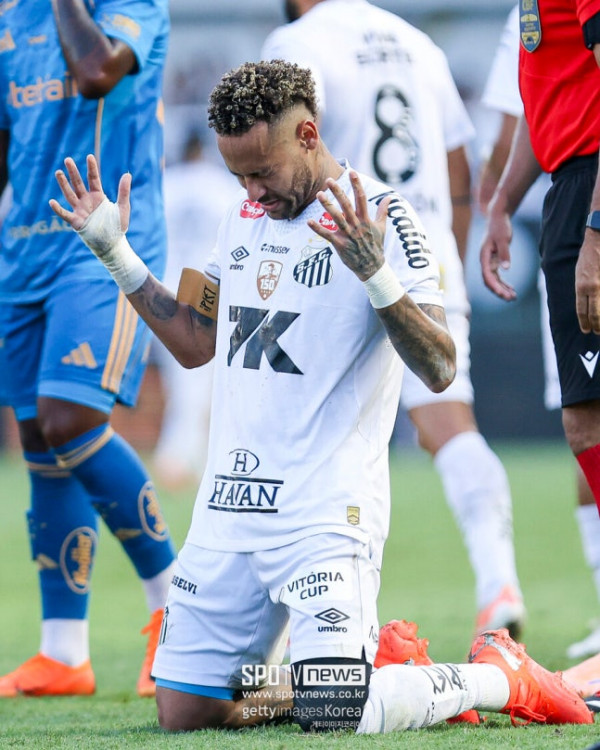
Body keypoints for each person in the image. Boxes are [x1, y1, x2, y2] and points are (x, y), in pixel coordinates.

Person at [49, 59, 592, 732]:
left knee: (334, 710)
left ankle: (496, 676)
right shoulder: (240, 217)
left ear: (308, 134)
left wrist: (374, 273)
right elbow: (194, 341)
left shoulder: (385, 217)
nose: (252, 190)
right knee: (187, 711)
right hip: (228, 512)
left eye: (262, 172)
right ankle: (349, 672)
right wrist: (116, 253)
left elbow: (440, 368)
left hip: (324, 517)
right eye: (239, 176)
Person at [261, 0, 525, 638]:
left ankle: (294, 613)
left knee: (299, 424)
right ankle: (498, 583)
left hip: (334, 253)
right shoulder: (418, 44)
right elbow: (458, 164)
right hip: (419, 245)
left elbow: (281, 156)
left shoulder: (298, 40)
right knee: (447, 421)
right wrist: (441, 257)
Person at [0, 0, 176, 698]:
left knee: (71, 419)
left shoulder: (133, 8)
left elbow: (98, 71)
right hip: (23, 252)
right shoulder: (10, 21)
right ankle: (63, 653)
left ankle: (176, 612)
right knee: (39, 436)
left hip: (103, 244)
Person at [479, 3, 600, 661]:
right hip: (567, 185)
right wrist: (504, 199)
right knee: (587, 419)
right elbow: (546, 99)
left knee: (590, 420)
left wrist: (596, 232)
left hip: (591, 190)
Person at [151, 129, 239, 490]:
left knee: (183, 385)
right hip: (206, 291)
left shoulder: (166, 186)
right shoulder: (222, 186)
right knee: (203, 387)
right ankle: (176, 459)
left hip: (163, 292)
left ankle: (191, 460)